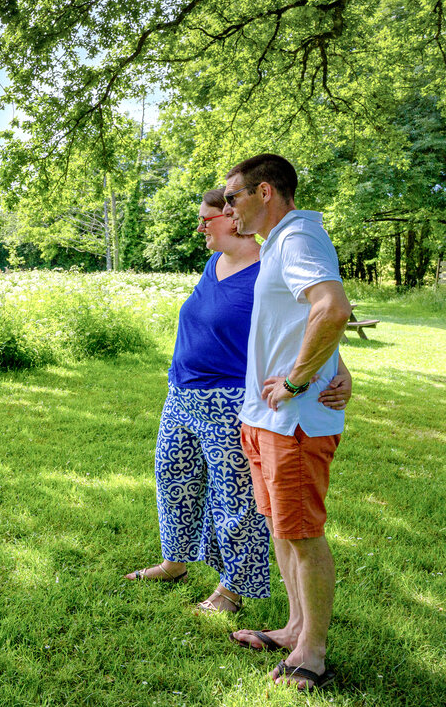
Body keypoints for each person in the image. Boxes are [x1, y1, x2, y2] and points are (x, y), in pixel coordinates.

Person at [125, 190, 351, 617]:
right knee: (174, 480)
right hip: (182, 393)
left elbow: (309, 322)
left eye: (206, 219)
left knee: (235, 499)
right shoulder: (214, 263)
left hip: (230, 399)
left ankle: (231, 589)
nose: (200, 228)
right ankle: (175, 562)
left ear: (232, 219)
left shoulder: (271, 265)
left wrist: (340, 369)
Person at [223, 154, 351, 692]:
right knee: (282, 528)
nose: (228, 207)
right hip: (265, 418)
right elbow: (304, 319)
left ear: (265, 192)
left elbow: (332, 308)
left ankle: (312, 654)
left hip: (293, 420)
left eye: (233, 196)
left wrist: (297, 381)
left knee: (302, 534)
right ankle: (295, 628)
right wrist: (338, 366)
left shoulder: (298, 237)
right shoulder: (278, 243)